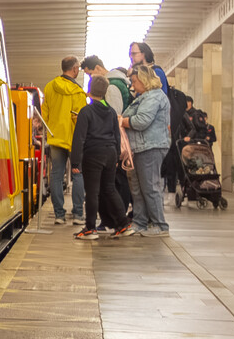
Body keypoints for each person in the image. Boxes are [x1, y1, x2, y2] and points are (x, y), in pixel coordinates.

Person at [70, 76, 126, 240]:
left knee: (92, 192)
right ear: (105, 92)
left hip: (93, 154)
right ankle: (123, 224)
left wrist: (75, 161)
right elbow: (117, 136)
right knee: (110, 189)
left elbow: (79, 138)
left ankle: (90, 228)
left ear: (89, 90)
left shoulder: (86, 111)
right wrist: (115, 157)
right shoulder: (111, 112)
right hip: (110, 153)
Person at [119, 63, 171, 237]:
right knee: (137, 187)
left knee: (150, 186)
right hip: (139, 148)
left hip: (151, 147)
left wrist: (123, 121)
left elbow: (141, 121)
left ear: (144, 80)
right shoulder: (144, 97)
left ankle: (160, 225)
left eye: (134, 81)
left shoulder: (155, 97)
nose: (133, 86)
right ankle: (139, 222)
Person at [82, 55, 134, 218]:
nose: (91, 78)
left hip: (112, 141)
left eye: (90, 74)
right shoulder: (117, 83)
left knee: (115, 183)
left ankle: (118, 218)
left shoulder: (111, 86)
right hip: (113, 141)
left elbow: (115, 115)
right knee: (114, 183)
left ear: (97, 68)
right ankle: (118, 218)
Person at [41, 56, 87, 226]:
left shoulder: (50, 87)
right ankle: (77, 215)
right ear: (74, 69)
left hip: (55, 137)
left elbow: (44, 113)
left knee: (56, 175)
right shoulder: (78, 92)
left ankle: (59, 215)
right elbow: (82, 119)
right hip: (74, 139)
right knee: (78, 174)